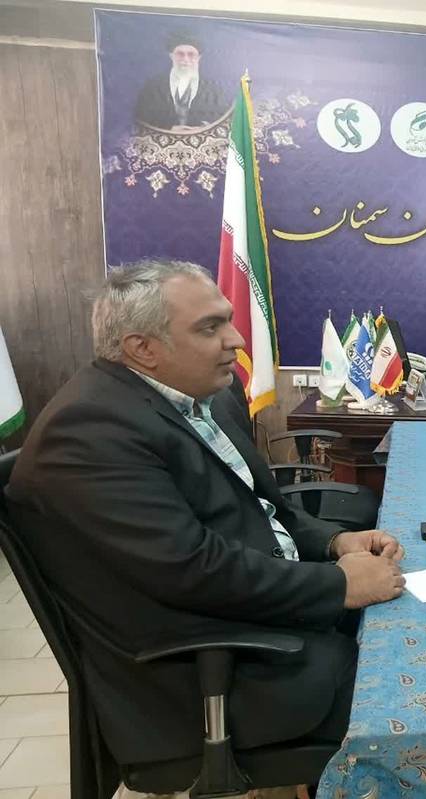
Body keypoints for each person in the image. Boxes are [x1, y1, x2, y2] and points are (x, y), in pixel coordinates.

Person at [5, 260, 404, 766]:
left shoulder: (197, 397)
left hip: (266, 614)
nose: (236, 340)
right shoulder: (89, 432)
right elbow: (191, 570)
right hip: (219, 672)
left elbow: (262, 508)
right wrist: (339, 585)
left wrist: (334, 542)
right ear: (142, 348)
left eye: (229, 321)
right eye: (209, 328)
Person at [134, 31, 230, 131]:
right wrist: (169, 129)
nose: (185, 59)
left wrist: (205, 128)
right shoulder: (153, 87)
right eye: (180, 54)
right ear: (171, 56)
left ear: (199, 58)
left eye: (191, 54)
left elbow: (223, 120)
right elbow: (141, 118)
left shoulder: (213, 89)